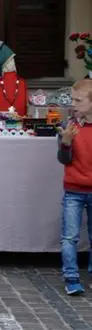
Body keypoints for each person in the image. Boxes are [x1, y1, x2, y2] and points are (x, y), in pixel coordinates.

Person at [57, 78, 92, 296]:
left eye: (79, 100)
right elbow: (63, 159)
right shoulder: (67, 126)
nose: (74, 104)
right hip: (74, 190)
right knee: (70, 237)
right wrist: (66, 142)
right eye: (72, 99)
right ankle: (71, 277)